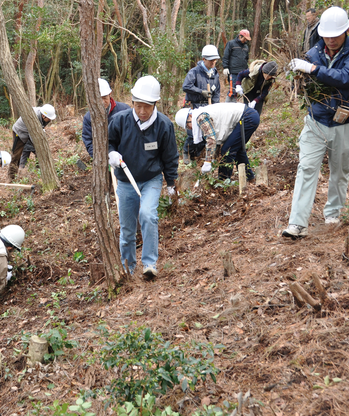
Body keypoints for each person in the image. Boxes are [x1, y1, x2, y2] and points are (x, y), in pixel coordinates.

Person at [282, 6, 349, 239]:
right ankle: (297, 223)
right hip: (316, 120)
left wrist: (313, 69)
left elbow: (347, 78)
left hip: (346, 122)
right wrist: (296, 78)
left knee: (339, 171)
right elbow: (302, 83)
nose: (330, 40)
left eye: (336, 35)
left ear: (347, 30)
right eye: (326, 35)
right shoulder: (312, 52)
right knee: (307, 168)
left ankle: (333, 213)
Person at [108, 76, 178, 278]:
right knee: (127, 229)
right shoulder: (120, 121)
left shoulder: (164, 125)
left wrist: (171, 183)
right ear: (132, 102)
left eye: (146, 107)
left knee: (148, 215)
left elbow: (170, 156)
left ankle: (149, 264)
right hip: (126, 181)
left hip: (151, 180)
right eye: (138, 106)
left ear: (155, 104)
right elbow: (108, 142)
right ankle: (127, 268)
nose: (142, 111)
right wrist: (111, 153)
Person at [175, 103, 259, 181]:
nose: (189, 128)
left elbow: (211, 138)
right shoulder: (200, 114)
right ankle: (249, 177)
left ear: (190, 116)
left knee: (227, 151)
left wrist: (208, 161)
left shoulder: (201, 118)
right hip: (248, 116)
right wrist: (213, 157)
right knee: (236, 149)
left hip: (247, 117)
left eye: (187, 125)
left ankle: (223, 182)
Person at [181, 45, 222, 160]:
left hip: (207, 106)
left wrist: (214, 105)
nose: (213, 62)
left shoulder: (215, 74)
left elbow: (217, 92)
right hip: (195, 105)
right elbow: (186, 86)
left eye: (215, 60)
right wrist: (201, 92)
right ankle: (187, 152)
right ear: (204, 59)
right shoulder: (194, 72)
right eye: (211, 60)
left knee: (206, 131)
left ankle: (198, 154)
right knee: (193, 131)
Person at [82, 78, 131, 157]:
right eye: (98, 99)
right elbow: (88, 140)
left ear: (110, 94)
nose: (102, 102)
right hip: (103, 160)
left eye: (104, 98)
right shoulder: (88, 117)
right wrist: (100, 158)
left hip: (125, 156)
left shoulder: (124, 110)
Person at [7, 104, 56, 181]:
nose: (50, 120)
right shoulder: (34, 118)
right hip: (19, 132)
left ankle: (40, 172)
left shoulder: (44, 113)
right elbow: (33, 136)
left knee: (39, 152)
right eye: (49, 118)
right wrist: (39, 146)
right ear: (44, 116)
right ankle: (11, 178)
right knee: (16, 155)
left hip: (29, 132)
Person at [222, 29, 251, 100]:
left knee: (240, 91)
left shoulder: (246, 47)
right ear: (240, 36)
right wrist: (225, 67)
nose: (245, 40)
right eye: (244, 38)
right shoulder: (231, 44)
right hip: (233, 72)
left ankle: (234, 107)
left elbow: (246, 58)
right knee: (232, 91)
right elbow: (226, 56)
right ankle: (227, 107)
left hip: (243, 72)